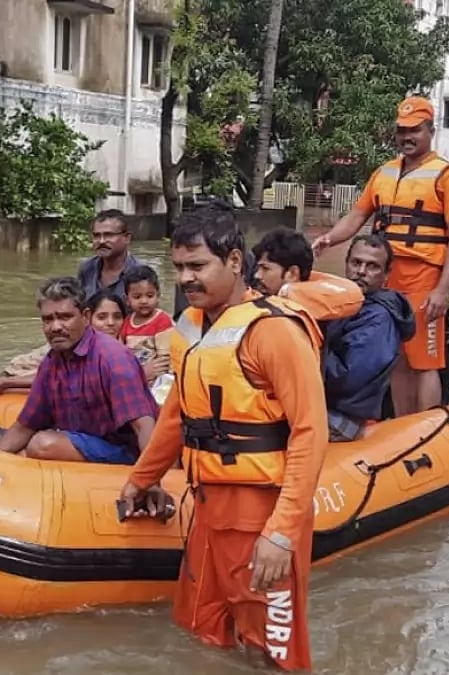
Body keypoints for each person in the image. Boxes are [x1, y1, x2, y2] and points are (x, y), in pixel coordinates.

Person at [118, 200, 327, 671]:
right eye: (179, 267)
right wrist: (142, 478)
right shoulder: (189, 329)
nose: (186, 278)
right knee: (202, 630)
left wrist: (282, 532)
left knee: (272, 652)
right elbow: (177, 414)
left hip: (261, 512)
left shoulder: (273, 332)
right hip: (207, 507)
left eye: (198, 265)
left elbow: (311, 433)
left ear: (234, 261)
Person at [312, 95, 449, 417]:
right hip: (385, 279)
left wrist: (442, 289)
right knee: (395, 356)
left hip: (424, 279)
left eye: (415, 130)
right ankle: (400, 427)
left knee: (424, 361)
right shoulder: (383, 173)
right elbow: (357, 217)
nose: (407, 137)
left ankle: (427, 430)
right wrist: (329, 238)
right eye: (401, 131)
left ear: (431, 131)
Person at [0, 277, 158, 464]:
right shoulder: (51, 362)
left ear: (86, 317)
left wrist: (149, 480)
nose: (55, 327)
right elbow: (25, 426)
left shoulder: (113, 359)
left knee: (42, 444)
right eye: (48, 319)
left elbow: (143, 426)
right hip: (83, 442)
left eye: (65, 317)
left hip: (125, 452)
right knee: (24, 448)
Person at [323, 234, 416, 441]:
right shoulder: (346, 303)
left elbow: (345, 380)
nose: (361, 272)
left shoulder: (380, 319)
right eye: (356, 263)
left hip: (341, 418)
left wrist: (310, 344)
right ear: (346, 264)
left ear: (386, 275)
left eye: (372, 266)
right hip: (325, 406)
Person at [251, 226, 363, 325]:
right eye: (258, 268)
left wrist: (286, 292)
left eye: (265, 268)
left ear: (293, 273)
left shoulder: (317, 311)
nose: (257, 275)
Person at [76, 210, 142, 299]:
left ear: (127, 238)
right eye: (96, 236)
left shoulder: (140, 273)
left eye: (109, 235)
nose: (101, 241)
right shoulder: (86, 269)